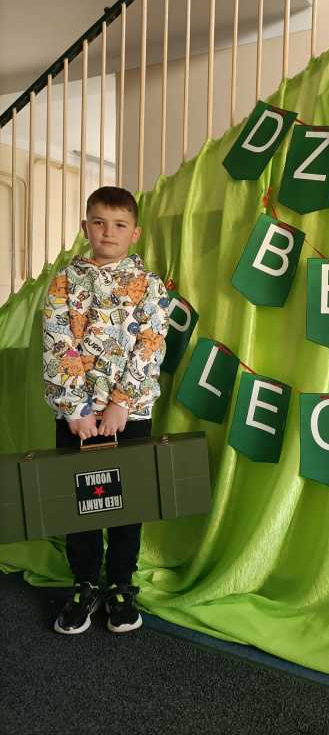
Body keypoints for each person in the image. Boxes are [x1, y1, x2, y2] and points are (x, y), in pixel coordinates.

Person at [42, 186, 170, 635]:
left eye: (119, 225)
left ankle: (120, 583)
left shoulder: (150, 286)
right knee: (79, 503)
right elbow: (58, 343)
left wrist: (121, 403)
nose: (108, 232)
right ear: (86, 227)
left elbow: (151, 345)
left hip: (128, 415)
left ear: (134, 233)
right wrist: (75, 409)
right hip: (76, 417)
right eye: (99, 222)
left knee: (125, 503)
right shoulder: (64, 281)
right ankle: (83, 582)